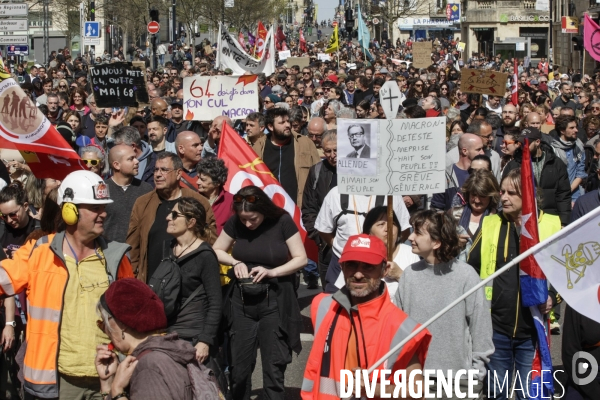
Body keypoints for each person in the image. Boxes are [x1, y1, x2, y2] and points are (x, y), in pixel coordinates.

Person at [0, 170, 134, 398]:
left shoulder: (116, 256)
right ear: (69, 211)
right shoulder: (39, 250)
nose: (103, 214)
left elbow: (133, 316)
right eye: (94, 208)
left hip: (104, 378)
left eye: (103, 208)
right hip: (55, 381)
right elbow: (5, 278)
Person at [467, 168, 561, 400]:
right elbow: (470, 267)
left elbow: (565, 274)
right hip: (496, 328)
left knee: (530, 395)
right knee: (496, 393)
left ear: (528, 195)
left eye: (512, 192)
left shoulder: (550, 224)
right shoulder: (490, 223)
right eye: (502, 191)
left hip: (533, 331)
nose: (504, 197)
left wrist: (552, 296)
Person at [301, 233, 431, 399]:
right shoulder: (322, 306)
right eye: (352, 265)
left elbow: (417, 390)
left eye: (368, 266)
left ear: (385, 270)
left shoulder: (401, 327)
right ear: (342, 267)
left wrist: (374, 389)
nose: (358, 274)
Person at [213, 186, 307, 400]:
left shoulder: (281, 222)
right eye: (243, 219)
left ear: (263, 210)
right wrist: (235, 261)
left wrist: (273, 271)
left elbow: (300, 258)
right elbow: (216, 249)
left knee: (274, 366)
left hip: (274, 298)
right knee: (239, 367)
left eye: (252, 218)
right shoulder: (236, 222)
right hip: (242, 301)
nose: (247, 224)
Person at [396, 210, 494, 398]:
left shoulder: (466, 276)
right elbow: (398, 328)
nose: (410, 237)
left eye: (418, 232)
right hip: (416, 381)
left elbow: (481, 328)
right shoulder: (409, 275)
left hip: (459, 381)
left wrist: (476, 374)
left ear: (436, 242)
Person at [94, 278, 199, 400]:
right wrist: (107, 384)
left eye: (104, 324)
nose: (105, 331)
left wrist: (118, 392)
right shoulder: (170, 349)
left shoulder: (148, 367)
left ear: (121, 324)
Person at [127, 152, 216, 283]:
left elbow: (210, 241)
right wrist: (133, 280)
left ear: (179, 173)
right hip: (152, 284)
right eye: (156, 170)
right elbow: (132, 248)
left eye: (164, 170)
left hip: (188, 287)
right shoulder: (143, 203)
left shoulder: (198, 202)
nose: (157, 174)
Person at [165, 197, 222, 363]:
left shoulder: (205, 256)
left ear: (191, 222)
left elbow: (215, 302)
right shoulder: (167, 248)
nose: (168, 217)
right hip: (167, 333)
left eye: (175, 215)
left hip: (193, 337)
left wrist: (205, 340)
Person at [503, 127, 571, 226]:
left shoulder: (556, 164)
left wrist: (564, 222)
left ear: (537, 142)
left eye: (526, 144)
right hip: (523, 221)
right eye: (521, 144)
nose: (523, 147)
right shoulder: (513, 165)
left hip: (550, 220)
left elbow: (563, 195)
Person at [252, 108, 320, 207]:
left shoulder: (305, 143)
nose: (287, 125)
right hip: (269, 209)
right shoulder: (259, 146)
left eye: (288, 121)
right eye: (282, 122)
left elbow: (317, 176)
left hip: (298, 209)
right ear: (270, 126)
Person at [302, 130, 337, 287]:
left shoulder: (358, 173)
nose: (332, 155)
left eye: (336, 150)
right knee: (330, 293)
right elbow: (308, 208)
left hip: (352, 242)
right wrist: (321, 239)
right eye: (328, 151)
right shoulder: (316, 171)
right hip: (327, 246)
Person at [362, 206, 419, 302]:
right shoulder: (359, 254)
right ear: (368, 231)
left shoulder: (410, 253)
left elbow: (419, 292)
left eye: (392, 223)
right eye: (381, 224)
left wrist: (400, 275)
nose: (388, 228)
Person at [104, 145, 153, 242]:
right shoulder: (102, 189)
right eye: (131, 159)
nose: (137, 161)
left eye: (135, 157)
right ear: (116, 165)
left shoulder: (146, 189)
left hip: (136, 253)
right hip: (109, 252)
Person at [431, 133, 485, 211]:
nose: (482, 152)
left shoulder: (482, 173)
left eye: (482, 149)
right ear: (464, 151)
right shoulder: (446, 175)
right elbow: (436, 208)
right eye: (478, 149)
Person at [552, 114, 587, 205]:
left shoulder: (579, 146)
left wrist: (568, 191)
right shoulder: (552, 149)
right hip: (557, 196)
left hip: (575, 195)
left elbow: (580, 172)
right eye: (572, 128)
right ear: (562, 131)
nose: (576, 130)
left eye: (576, 127)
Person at [196, 157, 234, 235]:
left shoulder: (231, 201)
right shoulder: (193, 199)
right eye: (198, 178)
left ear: (217, 183)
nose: (197, 182)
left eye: (203, 180)